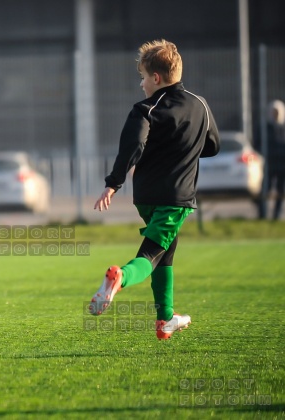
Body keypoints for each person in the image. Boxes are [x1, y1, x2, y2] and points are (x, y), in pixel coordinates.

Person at [89, 39, 220, 340]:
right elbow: (212, 146)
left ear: (156, 78)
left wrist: (113, 184)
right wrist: (184, 150)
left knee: (165, 252)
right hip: (176, 199)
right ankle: (120, 277)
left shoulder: (145, 109)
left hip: (146, 197)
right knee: (150, 255)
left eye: (143, 77)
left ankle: (165, 320)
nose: (142, 84)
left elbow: (133, 146)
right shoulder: (199, 104)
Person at [263, 99, 285, 221]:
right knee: (265, 189)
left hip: (282, 165)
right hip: (270, 164)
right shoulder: (266, 127)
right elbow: (258, 142)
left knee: (280, 191)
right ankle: (262, 213)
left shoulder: (284, 128)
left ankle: (276, 216)